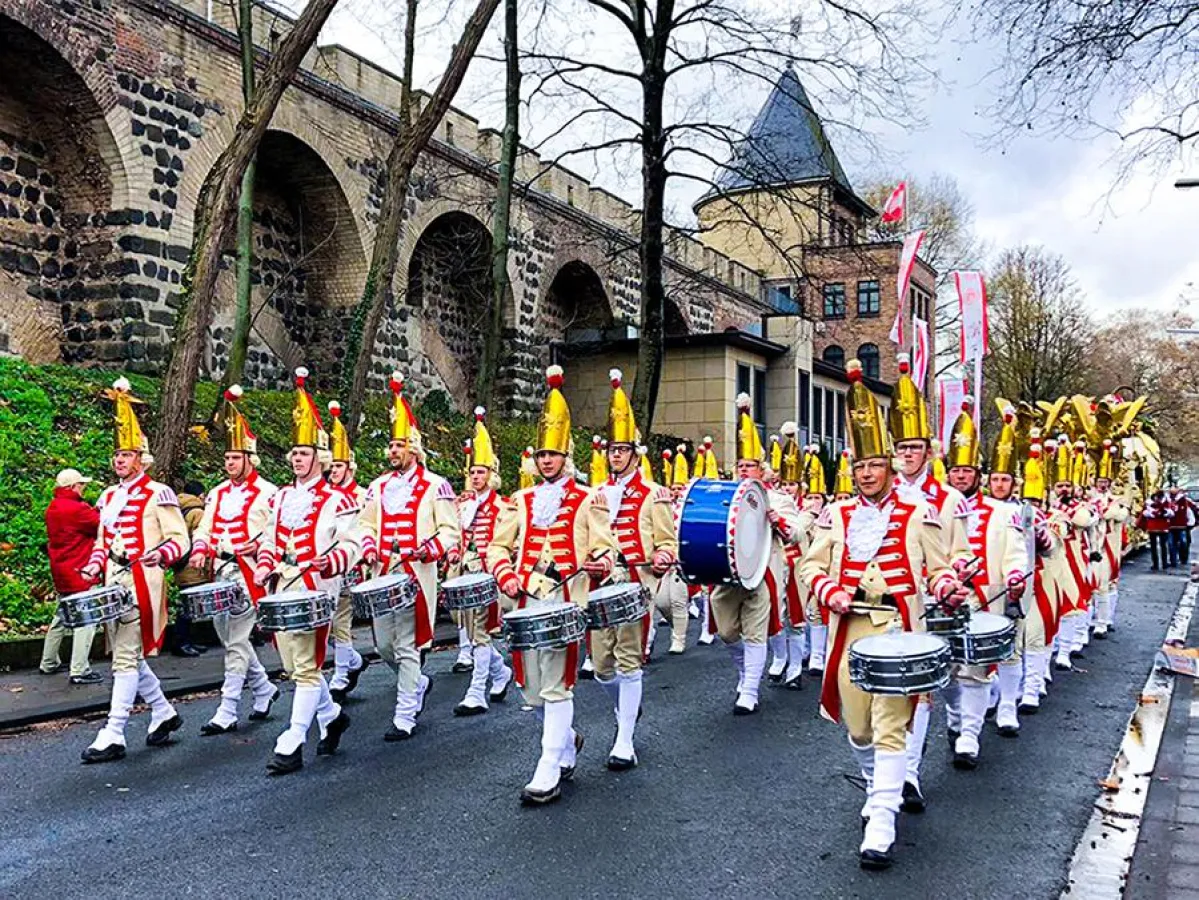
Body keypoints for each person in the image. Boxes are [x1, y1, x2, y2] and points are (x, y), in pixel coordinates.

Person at [800, 358, 967, 870]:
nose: (867, 474)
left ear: (891, 469)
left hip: (898, 629)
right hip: (849, 630)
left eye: (875, 465)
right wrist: (827, 588)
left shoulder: (921, 512)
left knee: (892, 723)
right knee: (857, 728)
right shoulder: (839, 513)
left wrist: (948, 587)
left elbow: (937, 570)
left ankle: (883, 819)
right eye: (860, 466)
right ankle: (877, 788)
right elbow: (809, 565)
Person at [486, 366, 616, 805]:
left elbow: (606, 550)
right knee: (534, 693)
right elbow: (497, 548)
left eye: (553, 454)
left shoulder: (588, 498)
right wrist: (506, 575)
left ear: (566, 455)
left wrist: (597, 565)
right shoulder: (518, 500)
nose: (546, 461)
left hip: (566, 606)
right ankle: (567, 740)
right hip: (526, 605)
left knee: (558, 687)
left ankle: (547, 768)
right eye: (541, 454)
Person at [78, 378, 190, 763]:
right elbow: (101, 540)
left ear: (141, 458)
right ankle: (163, 711)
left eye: (126, 455)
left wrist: (161, 555)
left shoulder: (159, 492)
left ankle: (114, 732)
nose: (119, 461)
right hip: (113, 580)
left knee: (124, 658)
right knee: (129, 654)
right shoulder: (107, 496)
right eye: (117, 455)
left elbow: (180, 539)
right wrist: (94, 565)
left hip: (143, 581)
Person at [253, 368, 359, 775]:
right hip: (283, 586)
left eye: (304, 453)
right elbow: (268, 539)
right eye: (294, 453)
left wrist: (330, 561)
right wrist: (265, 567)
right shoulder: (279, 498)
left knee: (309, 666)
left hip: (318, 588)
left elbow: (352, 544)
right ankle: (332, 717)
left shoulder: (338, 500)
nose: (297, 458)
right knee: (294, 665)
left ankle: (293, 738)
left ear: (320, 457)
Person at [889, 355, 972, 811]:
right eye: (900, 446)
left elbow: (960, 550)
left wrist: (955, 573)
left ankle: (914, 771)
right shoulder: (879, 492)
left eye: (914, 447)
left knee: (933, 684)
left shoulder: (950, 498)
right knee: (896, 689)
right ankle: (901, 774)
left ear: (929, 450)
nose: (906, 454)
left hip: (933, 601)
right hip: (892, 603)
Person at [359, 373, 461, 741]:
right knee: (383, 644)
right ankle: (417, 682)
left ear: (414, 448)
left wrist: (430, 549)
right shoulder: (377, 486)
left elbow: (451, 531)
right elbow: (365, 525)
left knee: (407, 644)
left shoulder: (437, 486)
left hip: (417, 573)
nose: (392, 452)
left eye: (399, 445)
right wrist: (368, 546)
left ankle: (404, 715)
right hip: (382, 572)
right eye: (390, 445)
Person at [592, 370, 677, 769]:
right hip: (598, 586)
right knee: (600, 668)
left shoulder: (654, 494)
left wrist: (661, 557)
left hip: (634, 585)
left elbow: (666, 542)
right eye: (611, 449)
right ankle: (627, 709)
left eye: (622, 449)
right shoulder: (594, 495)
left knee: (628, 659)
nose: (616, 455)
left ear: (635, 452)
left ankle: (624, 738)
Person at [186, 386, 280, 735]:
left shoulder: (269, 492)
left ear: (249, 459)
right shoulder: (216, 492)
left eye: (235, 458)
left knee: (238, 640)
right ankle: (264, 688)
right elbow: (205, 528)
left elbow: (274, 532)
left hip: (249, 573)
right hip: (218, 571)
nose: (229, 464)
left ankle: (226, 708)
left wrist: (255, 549)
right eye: (226, 458)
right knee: (228, 638)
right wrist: (199, 547)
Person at [943, 401, 1028, 759]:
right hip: (944, 599)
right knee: (945, 671)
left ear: (978, 474)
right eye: (955, 471)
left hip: (987, 599)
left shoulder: (1003, 510)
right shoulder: (936, 508)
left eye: (967, 471)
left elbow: (1015, 551)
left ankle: (970, 736)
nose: (961, 477)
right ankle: (954, 714)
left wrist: (1014, 575)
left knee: (975, 671)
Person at [707, 393, 800, 716]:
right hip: (726, 575)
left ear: (763, 470)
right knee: (727, 632)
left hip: (762, 575)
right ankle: (745, 672)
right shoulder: (723, 496)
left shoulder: (777, 499)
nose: (745, 470)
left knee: (756, 631)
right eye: (741, 465)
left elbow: (797, 533)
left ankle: (749, 690)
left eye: (752, 466)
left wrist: (778, 520)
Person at [448, 406, 513, 716]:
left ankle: (476, 692)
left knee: (482, 633)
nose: (476, 477)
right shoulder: (463, 504)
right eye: (473, 472)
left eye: (481, 472)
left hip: (488, 573)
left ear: (492, 474)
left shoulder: (503, 505)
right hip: (464, 572)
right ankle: (501, 673)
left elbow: (506, 542)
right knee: (473, 633)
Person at [324, 401, 369, 701]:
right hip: (323, 567)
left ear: (349, 466)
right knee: (325, 623)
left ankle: (341, 672)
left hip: (349, 565)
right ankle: (352, 660)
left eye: (339, 466)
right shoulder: (325, 494)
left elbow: (364, 531)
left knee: (340, 619)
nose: (334, 471)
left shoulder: (363, 496)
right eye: (332, 466)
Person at [41, 468, 102, 684]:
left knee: (60, 616)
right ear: (73, 487)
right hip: (81, 571)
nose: (84, 488)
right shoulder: (77, 509)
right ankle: (79, 669)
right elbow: (101, 525)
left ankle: (48, 662)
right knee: (87, 620)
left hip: (61, 570)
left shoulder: (53, 508)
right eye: (81, 485)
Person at [769, 427, 812, 690]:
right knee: (774, 616)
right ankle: (780, 658)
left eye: (791, 484)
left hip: (798, 568)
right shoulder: (773, 501)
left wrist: (780, 520)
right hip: (775, 564)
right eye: (783, 484)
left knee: (796, 619)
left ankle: (796, 667)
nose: (787, 488)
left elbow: (796, 533)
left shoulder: (809, 508)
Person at [172, 481, 209, 658]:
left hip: (180, 563)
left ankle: (186, 640)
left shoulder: (178, 509)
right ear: (200, 495)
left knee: (186, 603)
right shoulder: (197, 512)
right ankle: (182, 642)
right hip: (193, 565)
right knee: (189, 606)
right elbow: (201, 537)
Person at [1140, 490, 1173, 571]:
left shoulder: (1164, 504)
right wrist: (1157, 513)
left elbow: (1171, 513)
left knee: (1159, 546)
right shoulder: (1152, 504)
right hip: (1157, 527)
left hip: (1158, 527)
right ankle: (1159, 564)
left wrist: (1162, 513)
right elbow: (1144, 513)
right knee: (1159, 546)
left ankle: (1159, 564)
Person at [1169, 485, 1193, 568]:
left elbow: (1189, 513)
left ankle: (1183, 559)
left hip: (1182, 527)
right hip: (1171, 527)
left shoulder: (1184, 501)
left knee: (1183, 543)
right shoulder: (1168, 501)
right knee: (1171, 544)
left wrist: (1189, 524)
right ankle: (1173, 561)